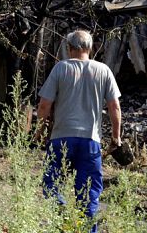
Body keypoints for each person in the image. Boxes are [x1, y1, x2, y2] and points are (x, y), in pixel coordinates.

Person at [37, 29, 122, 232]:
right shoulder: (103, 71)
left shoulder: (60, 69)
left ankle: (61, 219)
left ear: (69, 48)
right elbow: (115, 107)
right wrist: (116, 137)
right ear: (90, 48)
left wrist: (39, 132)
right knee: (89, 192)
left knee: (52, 184)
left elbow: (44, 106)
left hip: (60, 139)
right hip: (90, 141)